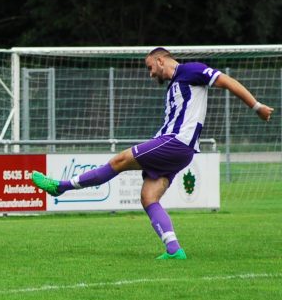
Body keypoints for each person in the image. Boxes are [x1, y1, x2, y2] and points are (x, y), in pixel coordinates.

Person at [32, 47, 275, 260]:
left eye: (150, 67)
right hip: (178, 147)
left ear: (161, 60)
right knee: (149, 197)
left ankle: (61, 186)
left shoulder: (191, 70)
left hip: (176, 143)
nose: (150, 74)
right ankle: (174, 249)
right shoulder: (174, 88)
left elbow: (228, 81)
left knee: (119, 160)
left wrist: (257, 106)